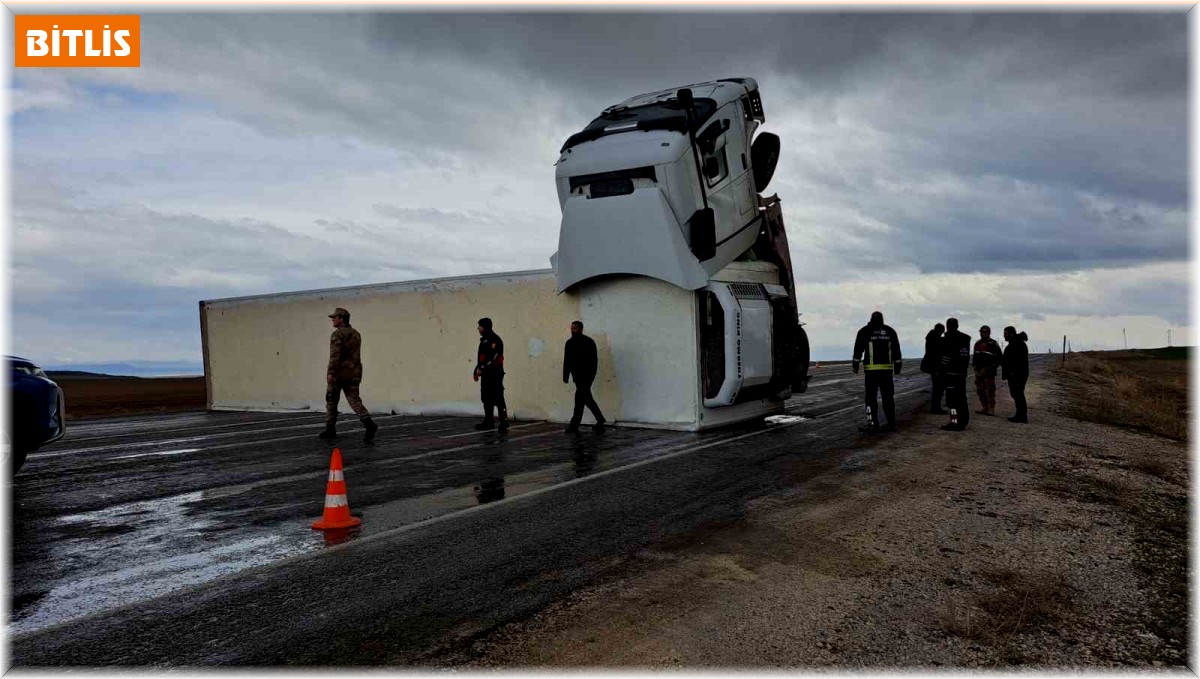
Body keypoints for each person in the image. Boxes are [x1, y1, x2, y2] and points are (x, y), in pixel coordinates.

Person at [319, 307, 378, 443]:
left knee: (331, 400)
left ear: (341, 318)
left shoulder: (337, 334)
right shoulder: (356, 334)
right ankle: (369, 424)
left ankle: (330, 429)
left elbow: (335, 356)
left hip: (339, 373)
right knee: (355, 400)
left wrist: (331, 373)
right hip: (354, 372)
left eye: (335, 317)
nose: (333, 320)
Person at [852, 311, 902, 432]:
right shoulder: (890, 331)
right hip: (886, 372)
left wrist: (855, 364)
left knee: (870, 399)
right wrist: (898, 366)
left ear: (871, 319)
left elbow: (858, 349)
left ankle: (873, 424)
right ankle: (892, 424)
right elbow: (896, 349)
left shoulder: (864, 331)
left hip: (871, 372)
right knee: (888, 398)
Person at [563, 321, 607, 433]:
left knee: (580, 399)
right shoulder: (569, 343)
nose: (573, 330)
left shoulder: (588, 342)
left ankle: (574, 425)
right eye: (572, 328)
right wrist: (566, 375)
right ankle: (599, 419)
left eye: (575, 328)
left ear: (581, 329)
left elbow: (593, 361)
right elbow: (567, 360)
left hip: (586, 377)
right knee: (585, 399)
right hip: (577, 377)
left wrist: (591, 375)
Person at [473, 317, 509, 431]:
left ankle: (504, 422)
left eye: (479, 326)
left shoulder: (495, 340)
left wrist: (482, 368)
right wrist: (476, 369)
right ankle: (488, 421)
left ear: (485, 327)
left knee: (498, 397)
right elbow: (481, 358)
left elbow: (493, 358)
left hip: (495, 373)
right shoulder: (484, 340)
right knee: (486, 397)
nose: (478, 328)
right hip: (486, 374)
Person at [939, 318, 972, 431]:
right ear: (957, 326)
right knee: (962, 398)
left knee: (952, 401)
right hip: (962, 373)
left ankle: (954, 422)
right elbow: (965, 356)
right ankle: (963, 421)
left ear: (947, 326)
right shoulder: (965, 338)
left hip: (951, 373)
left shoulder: (948, 339)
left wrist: (942, 370)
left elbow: (945, 358)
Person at [972, 325, 1003, 416]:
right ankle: (984, 407)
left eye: (985, 332)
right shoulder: (977, 344)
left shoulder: (993, 344)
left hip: (989, 371)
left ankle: (991, 408)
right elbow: (975, 356)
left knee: (990, 390)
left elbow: (999, 357)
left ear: (989, 333)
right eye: (981, 332)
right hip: (979, 371)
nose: (983, 334)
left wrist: (993, 366)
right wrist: (975, 366)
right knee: (980, 390)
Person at [1002, 326, 1030, 423]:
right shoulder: (1013, 344)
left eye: (1005, 334)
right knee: (1016, 394)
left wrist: (1013, 372)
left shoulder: (1018, 344)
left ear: (1011, 334)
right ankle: (1020, 415)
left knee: (1018, 394)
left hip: (1018, 375)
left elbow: (1019, 361)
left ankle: (1022, 416)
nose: (1004, 336)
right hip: (1014, 375)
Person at [921, 323, 946, 414]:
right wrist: (936, 369)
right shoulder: (935, 339)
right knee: (938, 388)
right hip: (935, 368)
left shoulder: (931, 338)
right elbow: (935, 355)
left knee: (937, 387)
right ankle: (936, 408)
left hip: (933, 367)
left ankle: (936, 407)